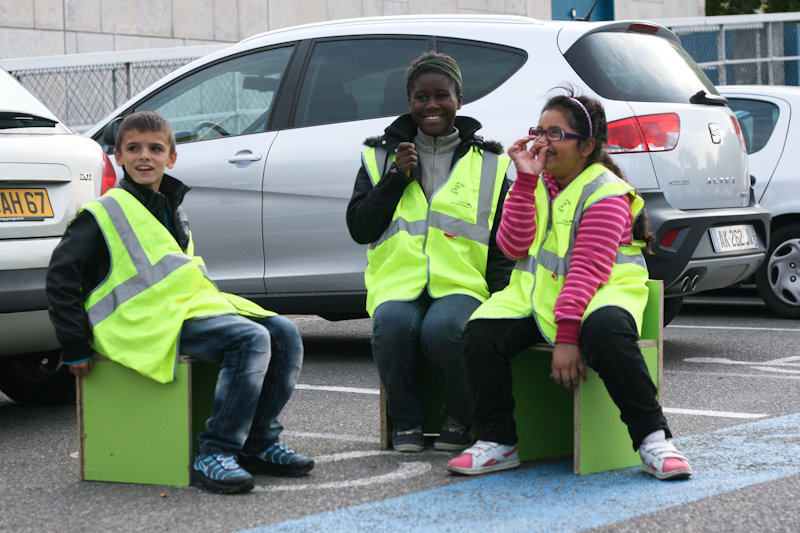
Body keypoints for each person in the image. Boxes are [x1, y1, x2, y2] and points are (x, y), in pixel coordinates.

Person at [46, 111, 314, 494]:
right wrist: (73, 343)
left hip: (178, 312)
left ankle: (258, 443)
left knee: (284, 332)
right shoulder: (102, 213)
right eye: (133, 148)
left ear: (171, 158)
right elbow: (60, 278)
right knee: (250, 340)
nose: (144, 156)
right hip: (136, 325)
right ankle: (215, 452)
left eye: (155, 149)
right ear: (118, 157)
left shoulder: (170, 207)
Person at [446, 87, 693, 481]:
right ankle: (497, 442)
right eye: (539, 131)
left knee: (606, 332)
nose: (543, 142)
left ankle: (653, 440)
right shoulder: (534, 181)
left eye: (556, 134)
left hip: (605, 291)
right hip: (540, 295)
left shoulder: (605, 192)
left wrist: (567, 337)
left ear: (587, 146)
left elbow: (588, 269)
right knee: (480, 333)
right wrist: (524, 182)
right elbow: (512, 247)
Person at [346, 52, 514, 453]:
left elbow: (502, 241)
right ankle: (406, 420)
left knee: (445, 330)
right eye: (421, 97)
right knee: (390, 327)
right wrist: (394, 179)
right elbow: (359, 228)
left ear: (460, 100)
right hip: (398, 282)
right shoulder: (379, 157)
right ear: (409, 102)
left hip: (461, 283)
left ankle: (461, 417)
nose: (432, 105)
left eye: (442, 96)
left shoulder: (490, 163)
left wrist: (503, 300)